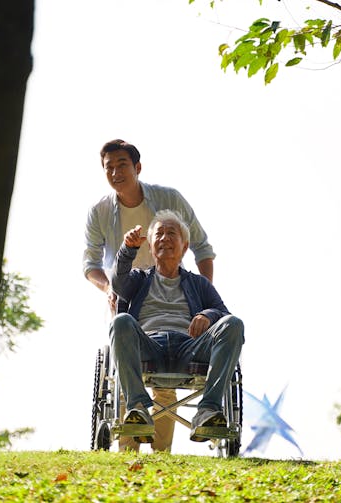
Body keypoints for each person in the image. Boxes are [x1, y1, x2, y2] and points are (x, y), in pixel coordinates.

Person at [83, 139, 216, 452]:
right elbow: (90, 264)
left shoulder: (169, 199)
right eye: (109, 167)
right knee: (125, 369)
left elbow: (202, 248)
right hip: (125, 292)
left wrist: (204, 298)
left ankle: (160, 455)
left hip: (168, 291)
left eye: (122, 165)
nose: (116, 172)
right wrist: (107, 290)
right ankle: (127, 452)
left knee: (165, 380)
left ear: (137, 168)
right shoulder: (100, 212)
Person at [110, 210, 244, 444]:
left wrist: (207, 315)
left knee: (233, 325)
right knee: (121, 321)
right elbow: (118, 282)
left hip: (188, 347)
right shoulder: (140, 279)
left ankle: (208, 411)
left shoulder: (198, 283)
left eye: (171, 233)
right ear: (150, 247)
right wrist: (127, 249)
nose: (164, 238)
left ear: (184, 246)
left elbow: (225, 314)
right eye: (158, 234)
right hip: (149, 345)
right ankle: (138, 408)